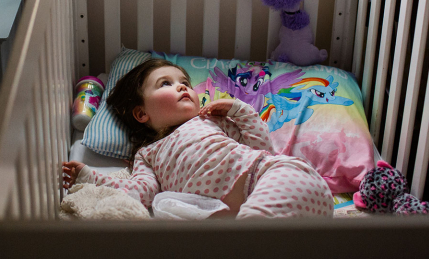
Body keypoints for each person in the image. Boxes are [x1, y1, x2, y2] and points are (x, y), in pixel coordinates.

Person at [62, 59, 333, 218]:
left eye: (185, 82)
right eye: (165, 84)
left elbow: (263, 148)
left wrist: (239, 110)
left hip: (280, 178)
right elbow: (140, 192)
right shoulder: (149, 153)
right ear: (141, 113)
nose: (182, 86)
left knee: (250, 234)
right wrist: (90, 177)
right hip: (264, 214)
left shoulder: (211, 119)